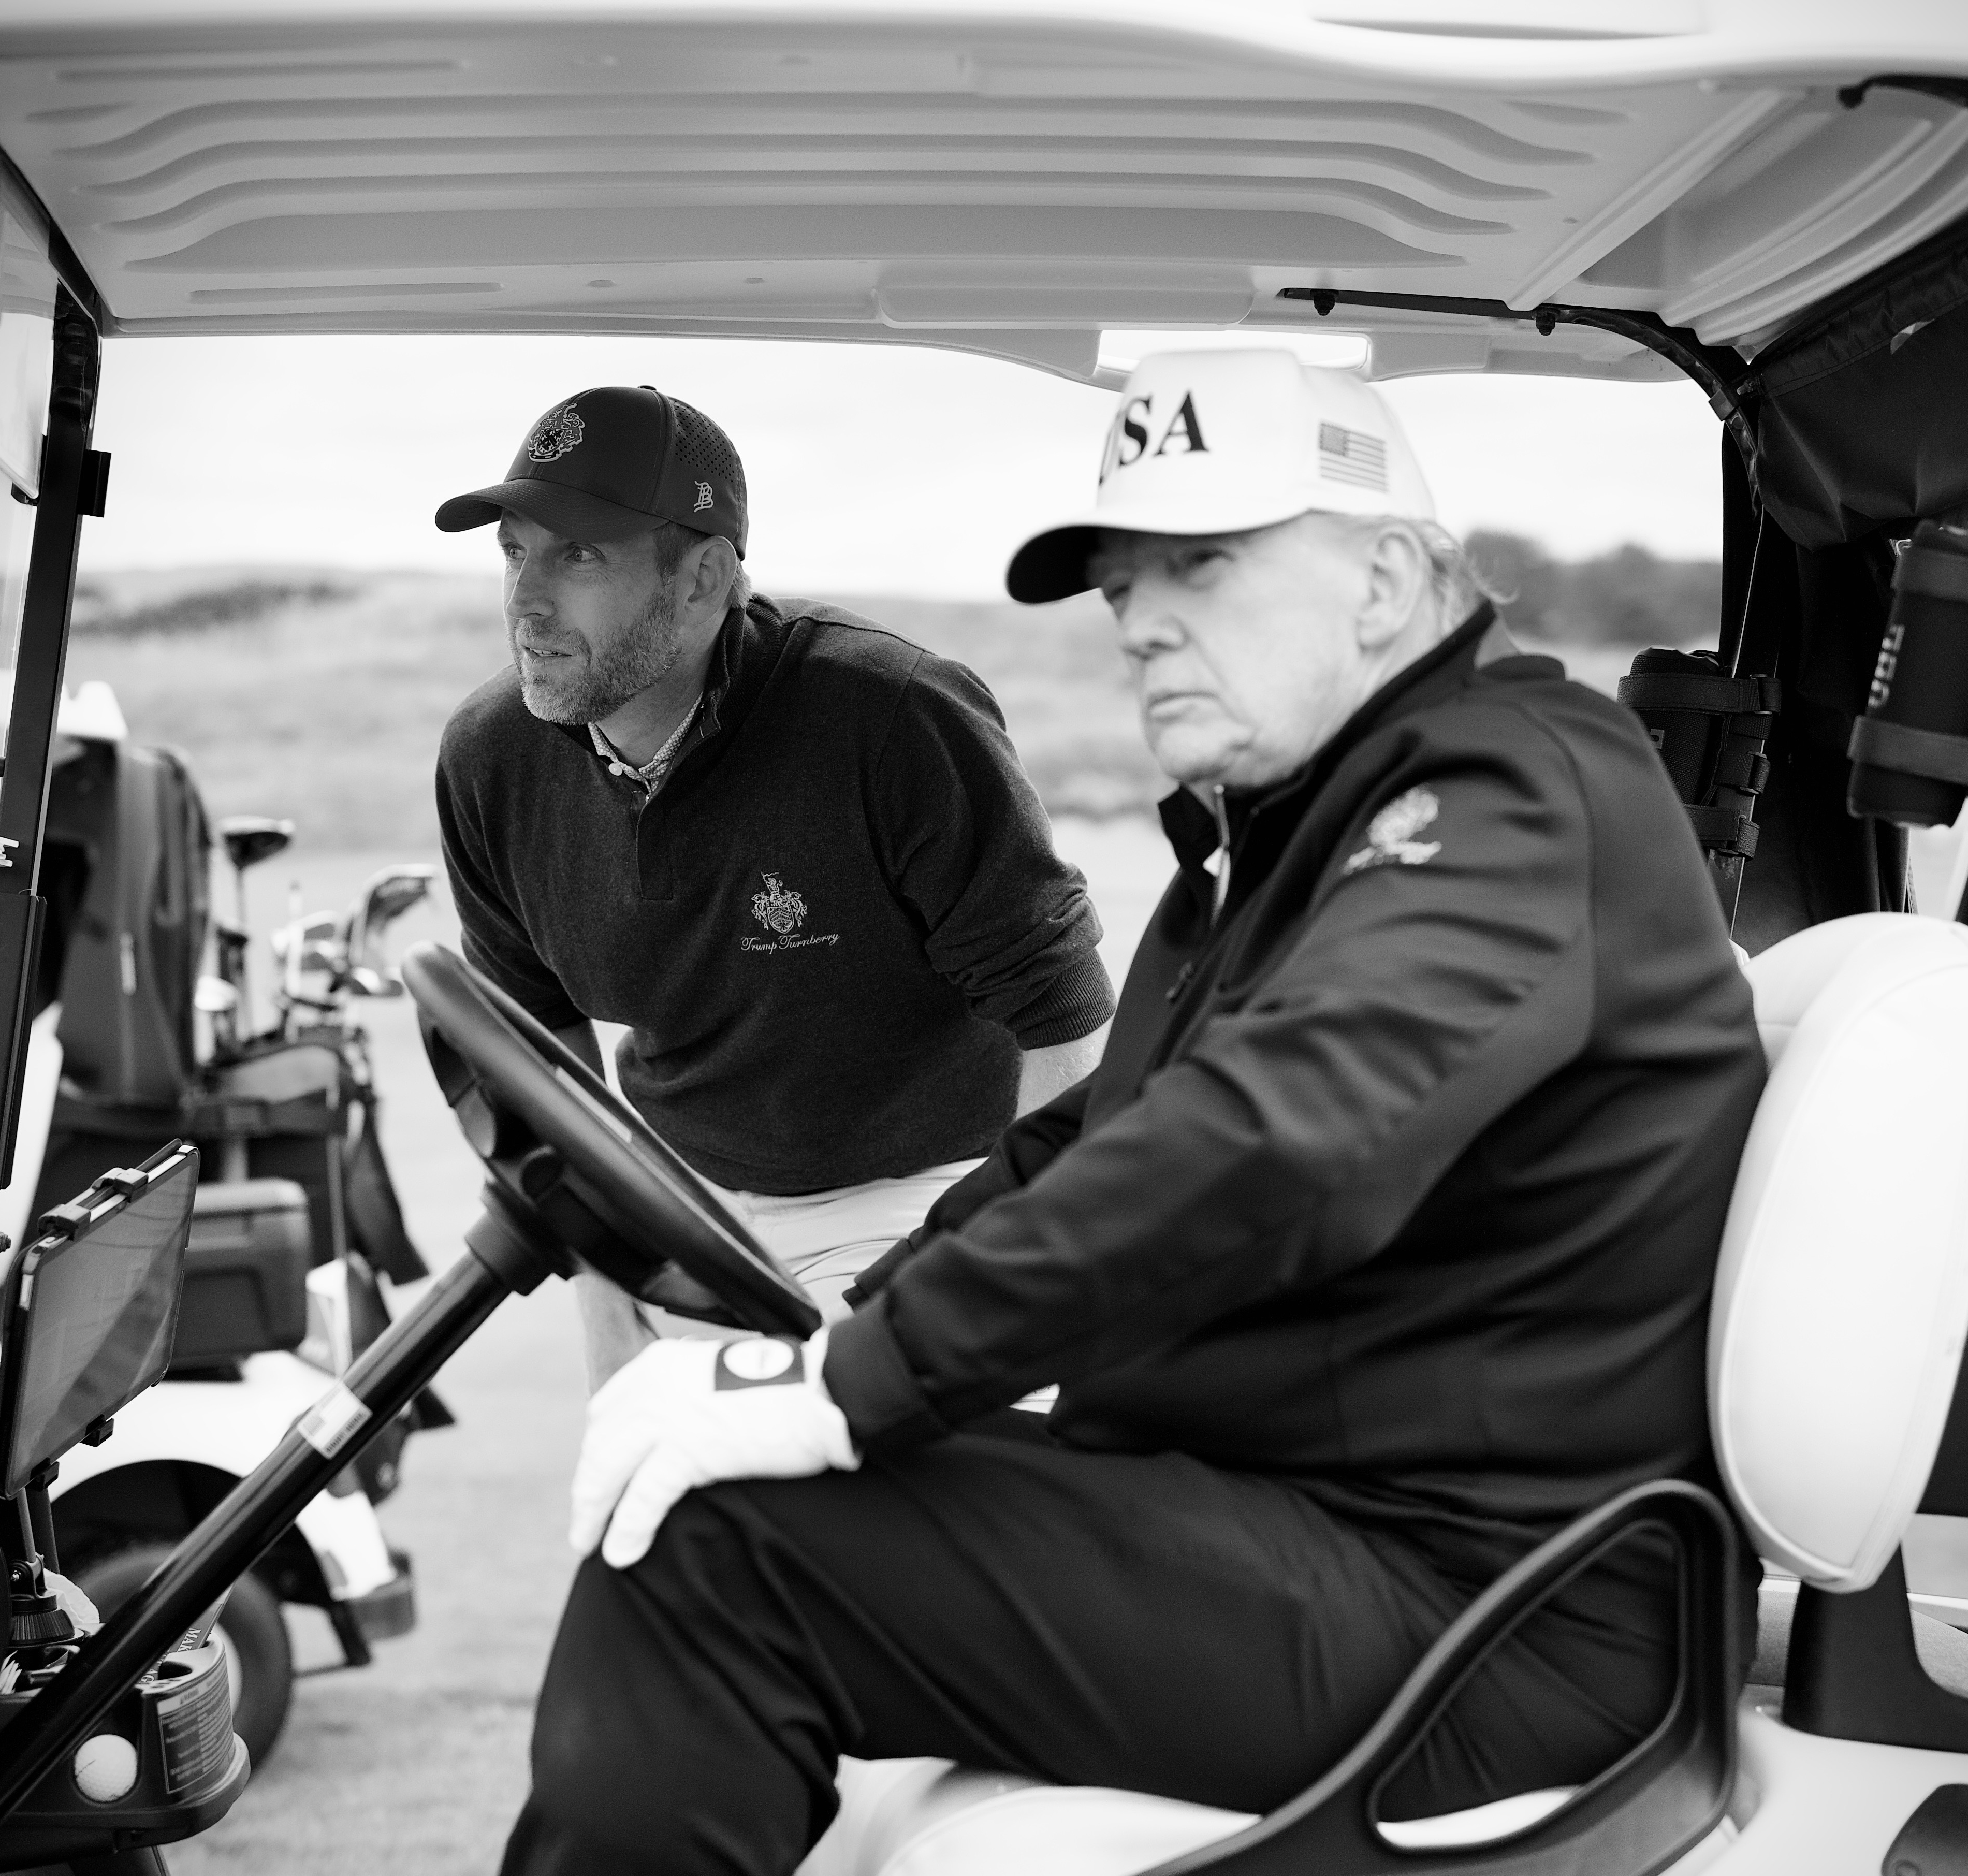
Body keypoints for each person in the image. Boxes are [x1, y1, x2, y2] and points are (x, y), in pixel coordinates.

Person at [502, 351, 1768, 1876]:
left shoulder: (1507, 792)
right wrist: (834, 1342)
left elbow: (1274, 1139)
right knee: (723, 1493)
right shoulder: (1288, 838)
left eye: (1205, 567)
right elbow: (1093, 1137)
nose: (1144, 621)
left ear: (1383, 584)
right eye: (1125, 585)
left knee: (719, 1554)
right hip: (1310, 1530)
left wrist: (856, 1381)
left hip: (1483, 1620)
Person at [432, 386, 1114, 1378]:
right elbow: (540, 1055)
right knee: (650, 1477)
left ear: (704, 579)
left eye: (577, 556)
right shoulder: (488, 757)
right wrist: (607, 1309)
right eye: (513, 553)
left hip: (932, 1198)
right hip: (680, 1210)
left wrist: (1002, 1286)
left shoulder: (893, 717)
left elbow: (1067, 1021)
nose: (524, 601)